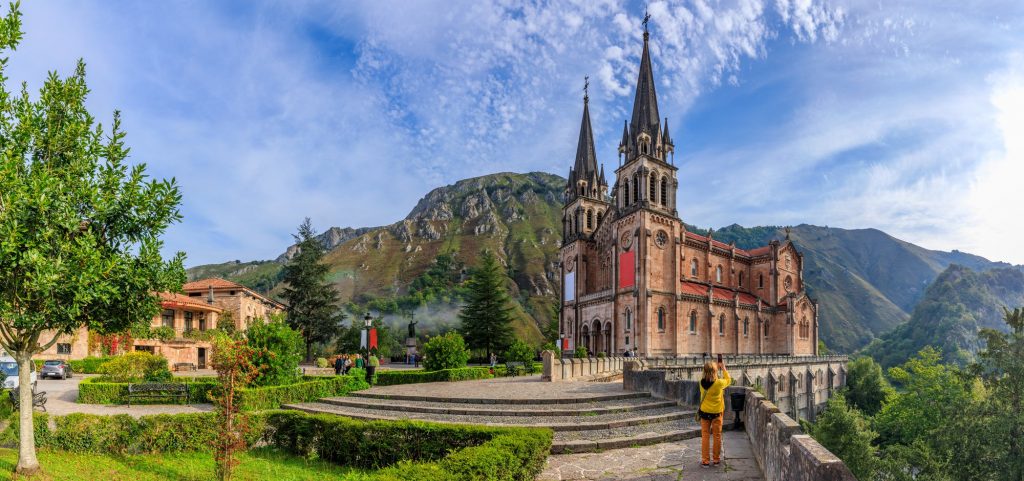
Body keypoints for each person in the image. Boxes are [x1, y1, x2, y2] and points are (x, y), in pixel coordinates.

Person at [697, 358, 731, 468]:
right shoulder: (719, 383)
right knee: (717, 436)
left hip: (704, 412)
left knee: (705, 436)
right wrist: (723, 368)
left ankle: (705, 460)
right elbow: (728, 380)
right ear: (715, 371)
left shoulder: (701, 383)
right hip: (717, 413)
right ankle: (716, 460)